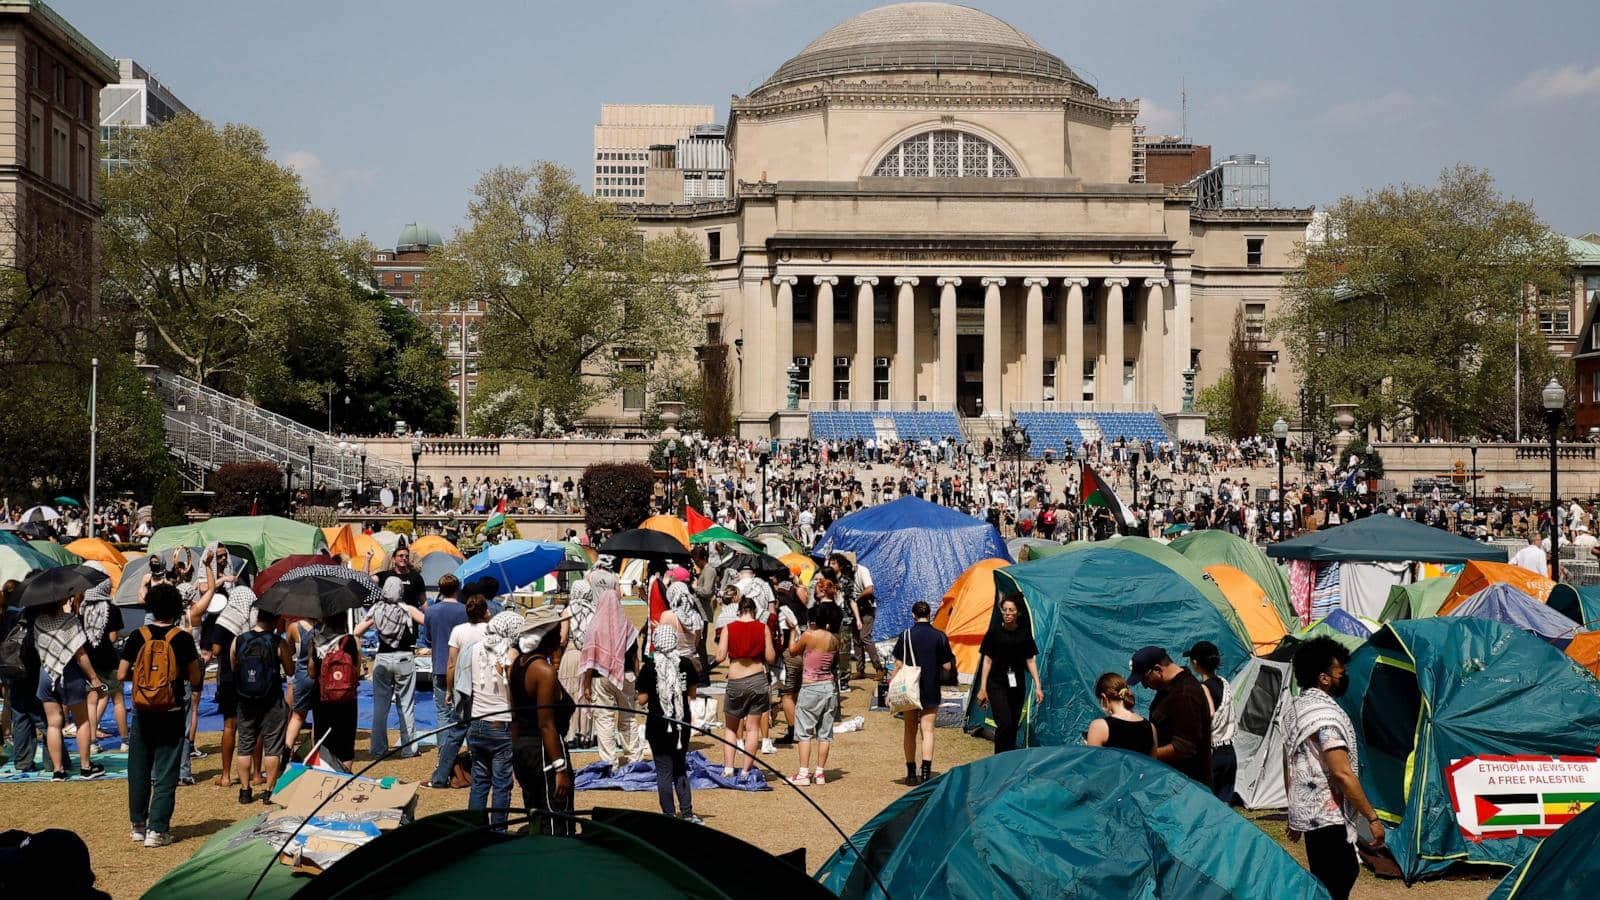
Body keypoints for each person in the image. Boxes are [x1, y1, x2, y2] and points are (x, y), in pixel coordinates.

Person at [1284, 637, 1384, 900]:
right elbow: (1341, 772)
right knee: (1341, 875)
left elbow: (1290, 763)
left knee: (1327, 878)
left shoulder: (1297, 708)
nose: (1345, 677)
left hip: (1311, 813)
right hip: (1329, 816)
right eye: (1341, 672)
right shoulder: (1324, 717)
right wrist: (1372, 819)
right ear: (1324, 678)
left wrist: (1295, 810)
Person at [119, 583, 202, 847]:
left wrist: (144, 680)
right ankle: (158, 829)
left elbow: (121, 674)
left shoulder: (137, 636)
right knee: (166, 771)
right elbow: (195, 676)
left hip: (143, 710)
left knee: (139, 768)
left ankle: (138, 825)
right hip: (172, 710)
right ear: (176, 607)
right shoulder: (182, 638)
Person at [510, 606, 576, 834]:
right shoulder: (544, 671)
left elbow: (515, 717)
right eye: (557, 631)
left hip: (523, 751)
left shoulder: (518, 666)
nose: (560, 636)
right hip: (545, 751)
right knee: (556, 821)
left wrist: (515, 755)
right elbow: (546, 724)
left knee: (535, 817)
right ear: (546, 636)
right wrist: (560, 769)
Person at [32, 595, 108, 780]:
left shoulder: (38, 622)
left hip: (46, 673)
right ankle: (85, 767)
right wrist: (94, 678)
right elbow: (80, 654)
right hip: (69, 675)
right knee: (82, 721)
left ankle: (58, 771)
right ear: (60, 599)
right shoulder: (70, 621)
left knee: (53, 724)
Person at [354, 577, 426, 760]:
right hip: (404, 658)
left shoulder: (377, 609)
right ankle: (409, 748)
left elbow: (357, 630)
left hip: (382, 658)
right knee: (406, 705)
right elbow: (427, 621)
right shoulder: (407, 609)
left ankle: (378, 748)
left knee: (380, 706)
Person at [579, 567, 643, 767]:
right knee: (629, 718)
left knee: (604, 720)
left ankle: (609, 762)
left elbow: (589, 660)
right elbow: (634, 657)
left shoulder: (595, 627)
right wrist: (639, 681)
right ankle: (634, 758)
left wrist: (586, 685)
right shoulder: (627, 625)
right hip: (627, 677)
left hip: (600, 679)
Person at [467, 611, 524, 830]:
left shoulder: (475, 649)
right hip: (502, 723)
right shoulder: (510, 654)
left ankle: (473, 829)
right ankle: (498, 830)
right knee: (501, 784)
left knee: (480, 782)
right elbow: (513, 693)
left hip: (478, 720)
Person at [636, 622, 699, 821]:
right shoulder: (686, 664)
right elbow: (692, 693)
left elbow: (642, 699)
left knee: (663, 770)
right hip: (681, 724)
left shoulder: (650, 667)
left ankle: (668, 814)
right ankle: (687, 813)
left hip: (657, 724)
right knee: (680, 768)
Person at [230, 611, 294, 804]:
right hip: (272, 700)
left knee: (244, 746)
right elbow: (290, 671)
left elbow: (234, 668)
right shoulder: (277, 642)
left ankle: (244, 790)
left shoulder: (238, 640)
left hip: (245, 701)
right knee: (273, 747)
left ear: (257, 618)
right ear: (275, 620)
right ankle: (268, 791)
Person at [1129, 646, 1213, 788]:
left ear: (1157, 670)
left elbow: (1184, 747)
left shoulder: (1185, 694)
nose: (1143, 686)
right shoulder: (1168, 689)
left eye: (1144, 679)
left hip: (1188, 785)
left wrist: (1145, 754)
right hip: (1172, 780)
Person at [891, 600, 954, 784]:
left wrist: (890, 686)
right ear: (930, 614)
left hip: (909, 688)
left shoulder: (906, 635)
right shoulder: (939, 636)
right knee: (928, 731)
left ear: (913, 615)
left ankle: (911, 774)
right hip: (930, 686)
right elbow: (947, 666)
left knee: (909, 730)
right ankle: (926, 773)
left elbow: (898, 664)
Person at [715, 595, 774, 781]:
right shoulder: (763, 628)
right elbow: (771, 657)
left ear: (738, 611)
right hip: (757, 678)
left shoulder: (729, 628)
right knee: (753, 728)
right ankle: (747, 770)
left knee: (731, 728)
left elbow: (720, 656)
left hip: (736, 679)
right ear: (754, 611)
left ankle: (729, 768)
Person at [976, 596, 1044, 753]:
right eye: (1004, 610)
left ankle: (1009, 759)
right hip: (997, 684)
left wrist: (1038, 686)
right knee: (1004, 722)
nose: (1007, 613)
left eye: (1011, 610)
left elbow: (1030, 660)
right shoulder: (994, 632)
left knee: (1013, 724)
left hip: (1017, 684)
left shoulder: (1024, 634)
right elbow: (987, 660)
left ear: (1018, 613)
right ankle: (999, 758)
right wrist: (983, 688)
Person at [787, 603, 841, 786]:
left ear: (812, 620)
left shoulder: (808, 635)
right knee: (824, 734)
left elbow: (793, 651)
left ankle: (803, 773)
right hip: (829, 687)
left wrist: (792, 632)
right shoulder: (834, 639)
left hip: (811, 687)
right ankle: (819, 773)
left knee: (804, 732)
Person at [422, 575, 468, 786]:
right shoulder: (464, 611)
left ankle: (443, 757)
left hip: (440, 665)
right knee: (461, 714)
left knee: (442, 713)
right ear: (457, 588)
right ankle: (453, 756)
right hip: (462, 668)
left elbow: (428, 638)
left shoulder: (431, 611)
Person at [1185, 640, 1237, 803]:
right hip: (1230, 751)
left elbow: (1209, 714)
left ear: (1195, 663)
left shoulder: (1203, 687)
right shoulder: (1224, 683)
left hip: (1212, 753)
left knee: (1208, 803)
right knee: (1225, 804)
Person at [2, 580, 45, 775]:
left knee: (20, 718)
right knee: (44, 719)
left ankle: (22, 760)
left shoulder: (6, 617)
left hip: (11, 671)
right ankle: (55, 759)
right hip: (32, 671)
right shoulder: (33, 617)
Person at [307, 616, 359, 768]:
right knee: (346, 747)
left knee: (323, 743)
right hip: (347, 699)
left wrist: (311, 654)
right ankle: (344, 781)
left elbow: (311, 673)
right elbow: (356, 670)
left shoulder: (316, 641)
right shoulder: (349, 641)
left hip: (323, 698)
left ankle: (324, 781)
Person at [1084, 673, 1155, 754]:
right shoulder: (1151, 728)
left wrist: (1089, 743)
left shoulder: (1099, 726)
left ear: (1104, 698)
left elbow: (1093, 763)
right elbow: (1152, 764)